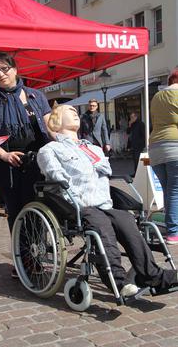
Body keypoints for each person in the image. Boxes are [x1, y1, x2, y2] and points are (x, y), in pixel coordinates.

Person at [37, 104, 178, 297]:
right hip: (76, 204)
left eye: (76, 112)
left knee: (126, 220)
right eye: (70, 112)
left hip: (103, 202)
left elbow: (107, 170)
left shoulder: (93, 148)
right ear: (56, 121)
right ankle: (118, 282)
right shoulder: (49, 150)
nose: (76, 114)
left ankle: (152, 275)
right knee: (101, 224)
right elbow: (55, 175)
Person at [0, 52, 52, 236]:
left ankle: (40, 251)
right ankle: (24, 258)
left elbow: (51, 127)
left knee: (40, 208)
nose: (1, 74)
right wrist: (5, 155)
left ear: (15, 69)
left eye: (5, 68)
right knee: (16, 211)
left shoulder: (35, 96)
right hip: (7, 164)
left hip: (38, 161)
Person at [149, 69, 178, 246]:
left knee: (170, 191)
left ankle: (172, 227)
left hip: (156, 148)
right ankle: (173, 232)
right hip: (175, 145)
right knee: (174, 191)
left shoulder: (157, 97)